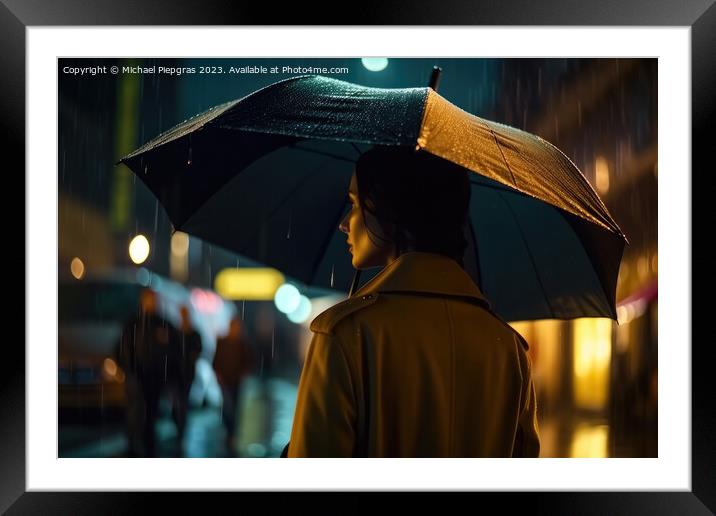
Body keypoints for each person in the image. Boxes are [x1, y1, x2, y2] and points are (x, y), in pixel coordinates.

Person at [286, 146, 540, 457]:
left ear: (391, 212)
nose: (344, 223)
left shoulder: (345, 336)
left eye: (354, 204)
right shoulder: (509, 351)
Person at [116, 288, 173, 457]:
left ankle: (147, 447)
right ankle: (135, 447)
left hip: (154, 379)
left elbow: (171, 352)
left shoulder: (163, 324)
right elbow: (122, 349)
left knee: (150, 414)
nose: (151, 303)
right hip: (136, 378)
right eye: (149, 300)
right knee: (135, 414)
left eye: (153, 300)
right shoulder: (133, 324)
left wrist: (166, 373)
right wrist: (130, 369)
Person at [213, 315, 253, 455]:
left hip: (236, 381)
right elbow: (216, 359)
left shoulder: (241, 343)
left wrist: (243, 374)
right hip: (225, 380)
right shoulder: (223, 342)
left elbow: (247, 361)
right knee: (228, 406)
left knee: (234, 406)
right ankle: (229, 430)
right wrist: (218, 374)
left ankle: (231, 433)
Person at [168, 305, 202, 445]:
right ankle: (179, 427)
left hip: (186, 374)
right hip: (176, 374)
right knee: (177, 403)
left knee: (182, 402)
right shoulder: (175, 332)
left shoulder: (192, 333)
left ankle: (181, 429)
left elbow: (197, 350)